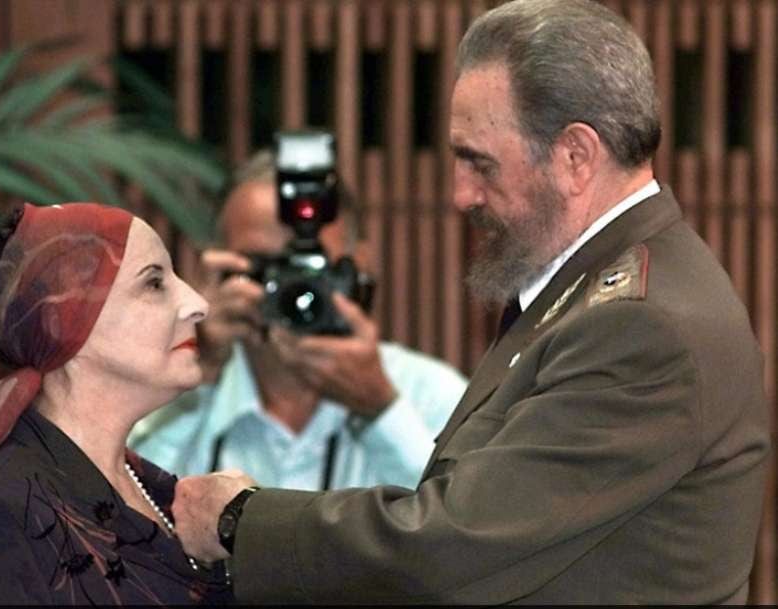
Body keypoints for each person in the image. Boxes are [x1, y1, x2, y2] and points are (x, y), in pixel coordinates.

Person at [169, 0, 771, 604]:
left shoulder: (639, 326)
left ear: (576, 157)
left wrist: (241, 521)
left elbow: (452, 545)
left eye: (479, 163)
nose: (460, 195)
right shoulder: (589, 292)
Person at [0, 202, 232, 604]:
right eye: (154, 283)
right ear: (61, 320)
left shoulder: (160, 490)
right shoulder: (0, 521)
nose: (198, 303)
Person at [129, 151, 467, 491]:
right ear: (218, 267)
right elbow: (124, 514)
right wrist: (197, 375)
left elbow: (459, 529)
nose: (293, 289)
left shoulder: (432, 396)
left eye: (310, 266)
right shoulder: (173, 400)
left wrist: (379, 409)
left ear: (358, 265)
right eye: (264, 266)